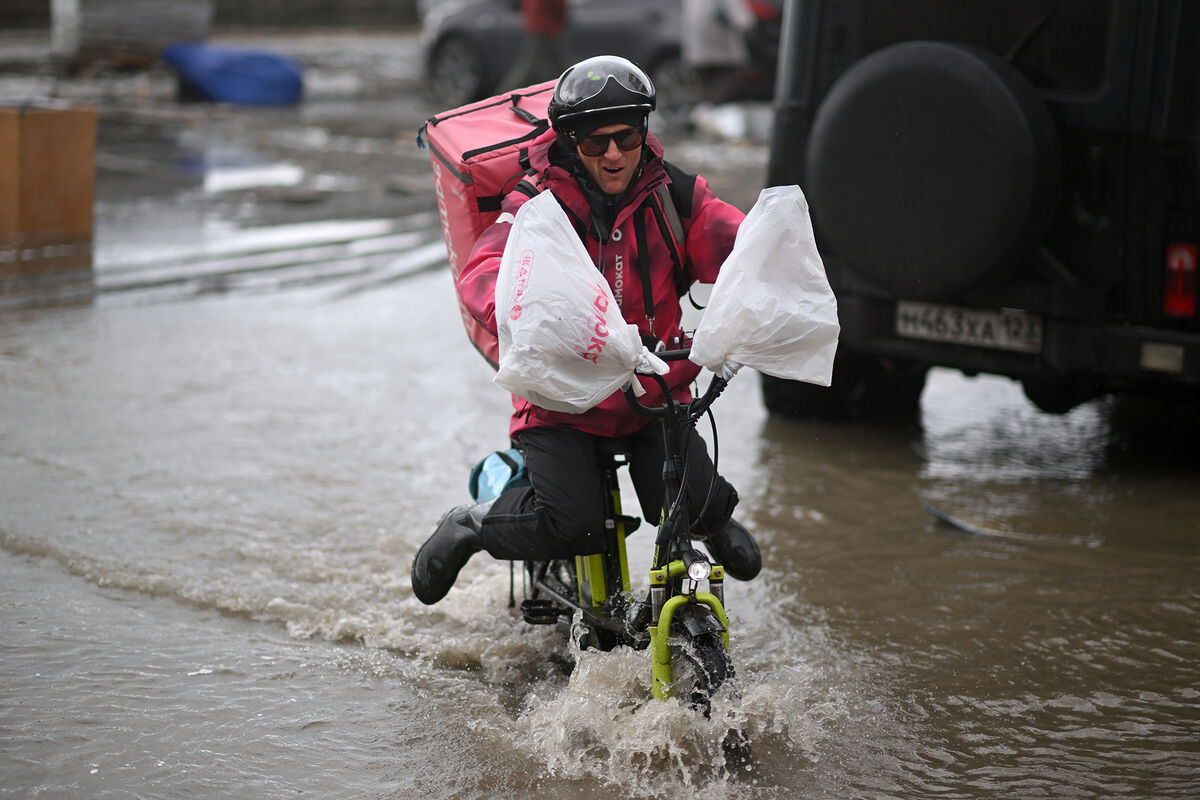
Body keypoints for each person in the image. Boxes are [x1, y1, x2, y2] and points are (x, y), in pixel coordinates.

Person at [411, 55, 761, 605]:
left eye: (626, 137)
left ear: (644, 132)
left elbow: (741, 246)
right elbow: (485, 274)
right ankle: (472, 525)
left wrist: (773, 283)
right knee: (573, 525)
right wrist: (532, 318)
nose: (615, 154)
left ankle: (712, 524)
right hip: (560, 406)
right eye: (596, 143)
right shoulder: (534, 207)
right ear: (571, 143)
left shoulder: (674, 197)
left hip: (654, 395)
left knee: (695, 507)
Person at [500, 0, 567, 92]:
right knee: (530, 66)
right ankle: (505, 93)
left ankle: (562, 89)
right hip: (546, 26)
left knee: (555, 65)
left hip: (537, 24)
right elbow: (557, 4)